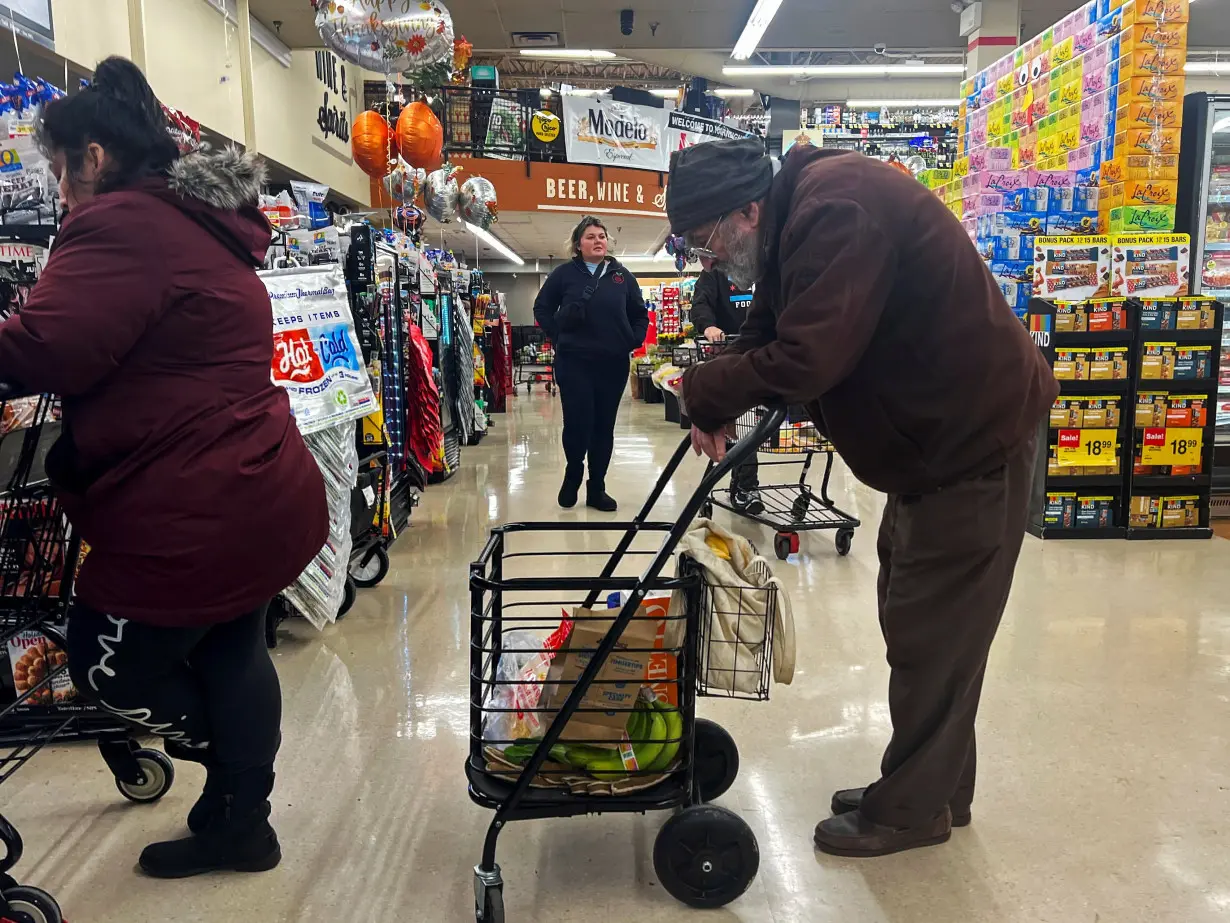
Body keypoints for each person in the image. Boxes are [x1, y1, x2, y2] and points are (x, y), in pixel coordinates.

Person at [666, 138, 1057, 857]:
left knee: (930, 628)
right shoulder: (797, 218)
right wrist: (713, 395)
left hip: (972, 441)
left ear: (747, 210)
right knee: (922, 620)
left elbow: (811, 355)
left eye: (705, 239)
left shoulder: (836, 208)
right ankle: (931, 785)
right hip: (932, 446)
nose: (706, 258)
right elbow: (769, 330)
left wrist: (705, 388)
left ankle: (910, 810)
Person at [0, 58, 328, 878]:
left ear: (95, 157)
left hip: (192, 506)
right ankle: (242, 820)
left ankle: (238, 791)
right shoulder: (197, 220)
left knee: (108, 661)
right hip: (258, 487)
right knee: (231, 647)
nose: (59, 188)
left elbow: (50, 347)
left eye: (58, 168)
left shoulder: (122, 226)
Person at [533, 216, 648, 511]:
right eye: (590, 237)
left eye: (602, 236)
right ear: (578, 245)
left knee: (603, 426)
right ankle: (573, 472)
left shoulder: (622, 276)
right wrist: (558, 335)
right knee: (578, 422)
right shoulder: (563, 275)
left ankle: (597, 486)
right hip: (574, 362)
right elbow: (542, 308)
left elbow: (639, 312)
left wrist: (633, 339)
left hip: (612, 363)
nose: (598, 241)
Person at [689, 267, 761, 514]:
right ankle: (747, 487)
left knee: (746, 427)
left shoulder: (764, 268)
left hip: (765, 357)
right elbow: (699, 304)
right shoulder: (714, 275)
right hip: (729, 356)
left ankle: (742, 484)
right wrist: (708, 326)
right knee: (743, 425)